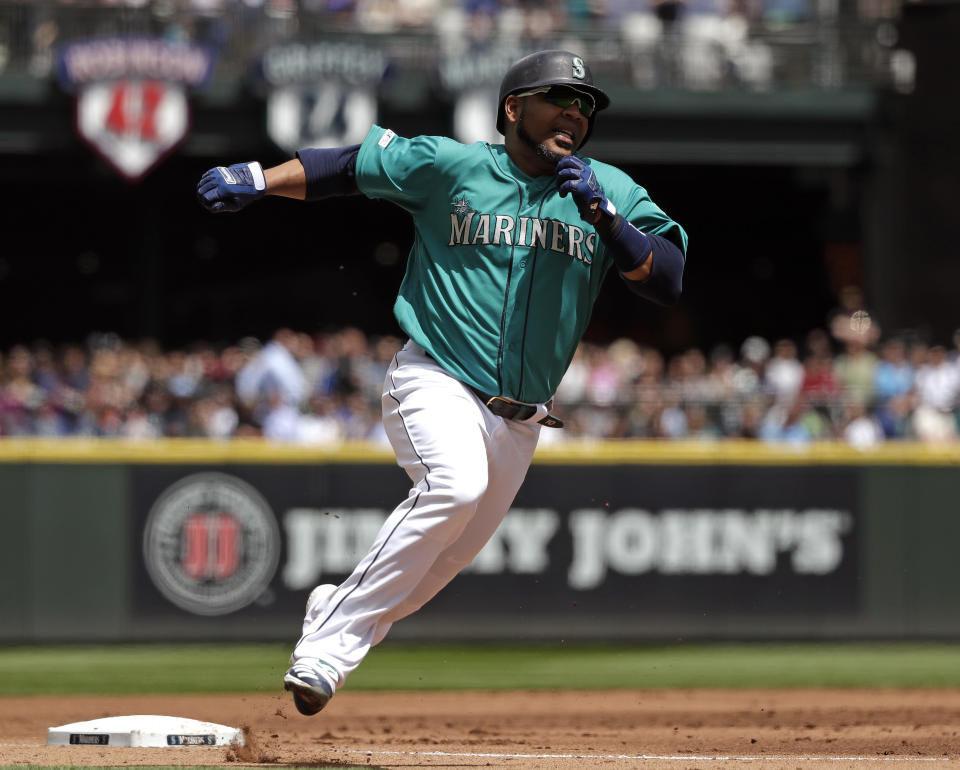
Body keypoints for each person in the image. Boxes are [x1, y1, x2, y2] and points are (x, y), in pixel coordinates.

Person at [196, 49, 688, 716]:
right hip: (437, 377)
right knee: (455, 485)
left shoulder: (611, 191)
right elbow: (345, 166)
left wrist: (607, 220)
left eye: (585, 107)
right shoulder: (453, 166)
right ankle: (328, 650)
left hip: (521, 418)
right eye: (559, 100)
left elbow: (666, 278)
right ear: (514, 108)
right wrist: (257, 175)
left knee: (441, 564)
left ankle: (332, 608)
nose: (575, 113)